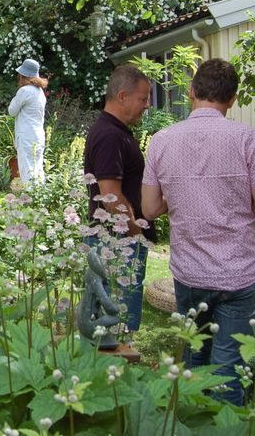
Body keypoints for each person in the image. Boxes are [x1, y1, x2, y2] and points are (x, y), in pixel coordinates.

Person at [141, 58, 255, 406]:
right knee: (229, 371)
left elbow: (150, 209)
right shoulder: (247, 139)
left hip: (189, 273)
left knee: (194, 362)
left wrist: (183, 192)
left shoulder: (161, 141)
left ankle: (190, 423)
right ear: (232, 99)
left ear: (190, 92)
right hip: (238, 274)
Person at [83, 64, 155, 335]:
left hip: (115, 239)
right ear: (122, 96)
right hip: (116, 241)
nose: (147, 105)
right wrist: (136, 230)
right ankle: (117, 372)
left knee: (110, 323)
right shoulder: (110, 135)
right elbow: (111, 196)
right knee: (117, 325)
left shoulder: (116, 131)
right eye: (143, 98)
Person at [7, 58, 47, 185]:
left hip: (26, 136)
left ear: (23, 75)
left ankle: (30, 202)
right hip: (39, 135)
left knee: (27, 170)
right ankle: (42, 199)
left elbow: (11, 111)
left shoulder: (24, 91)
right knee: (38, 169)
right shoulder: (40, 92)